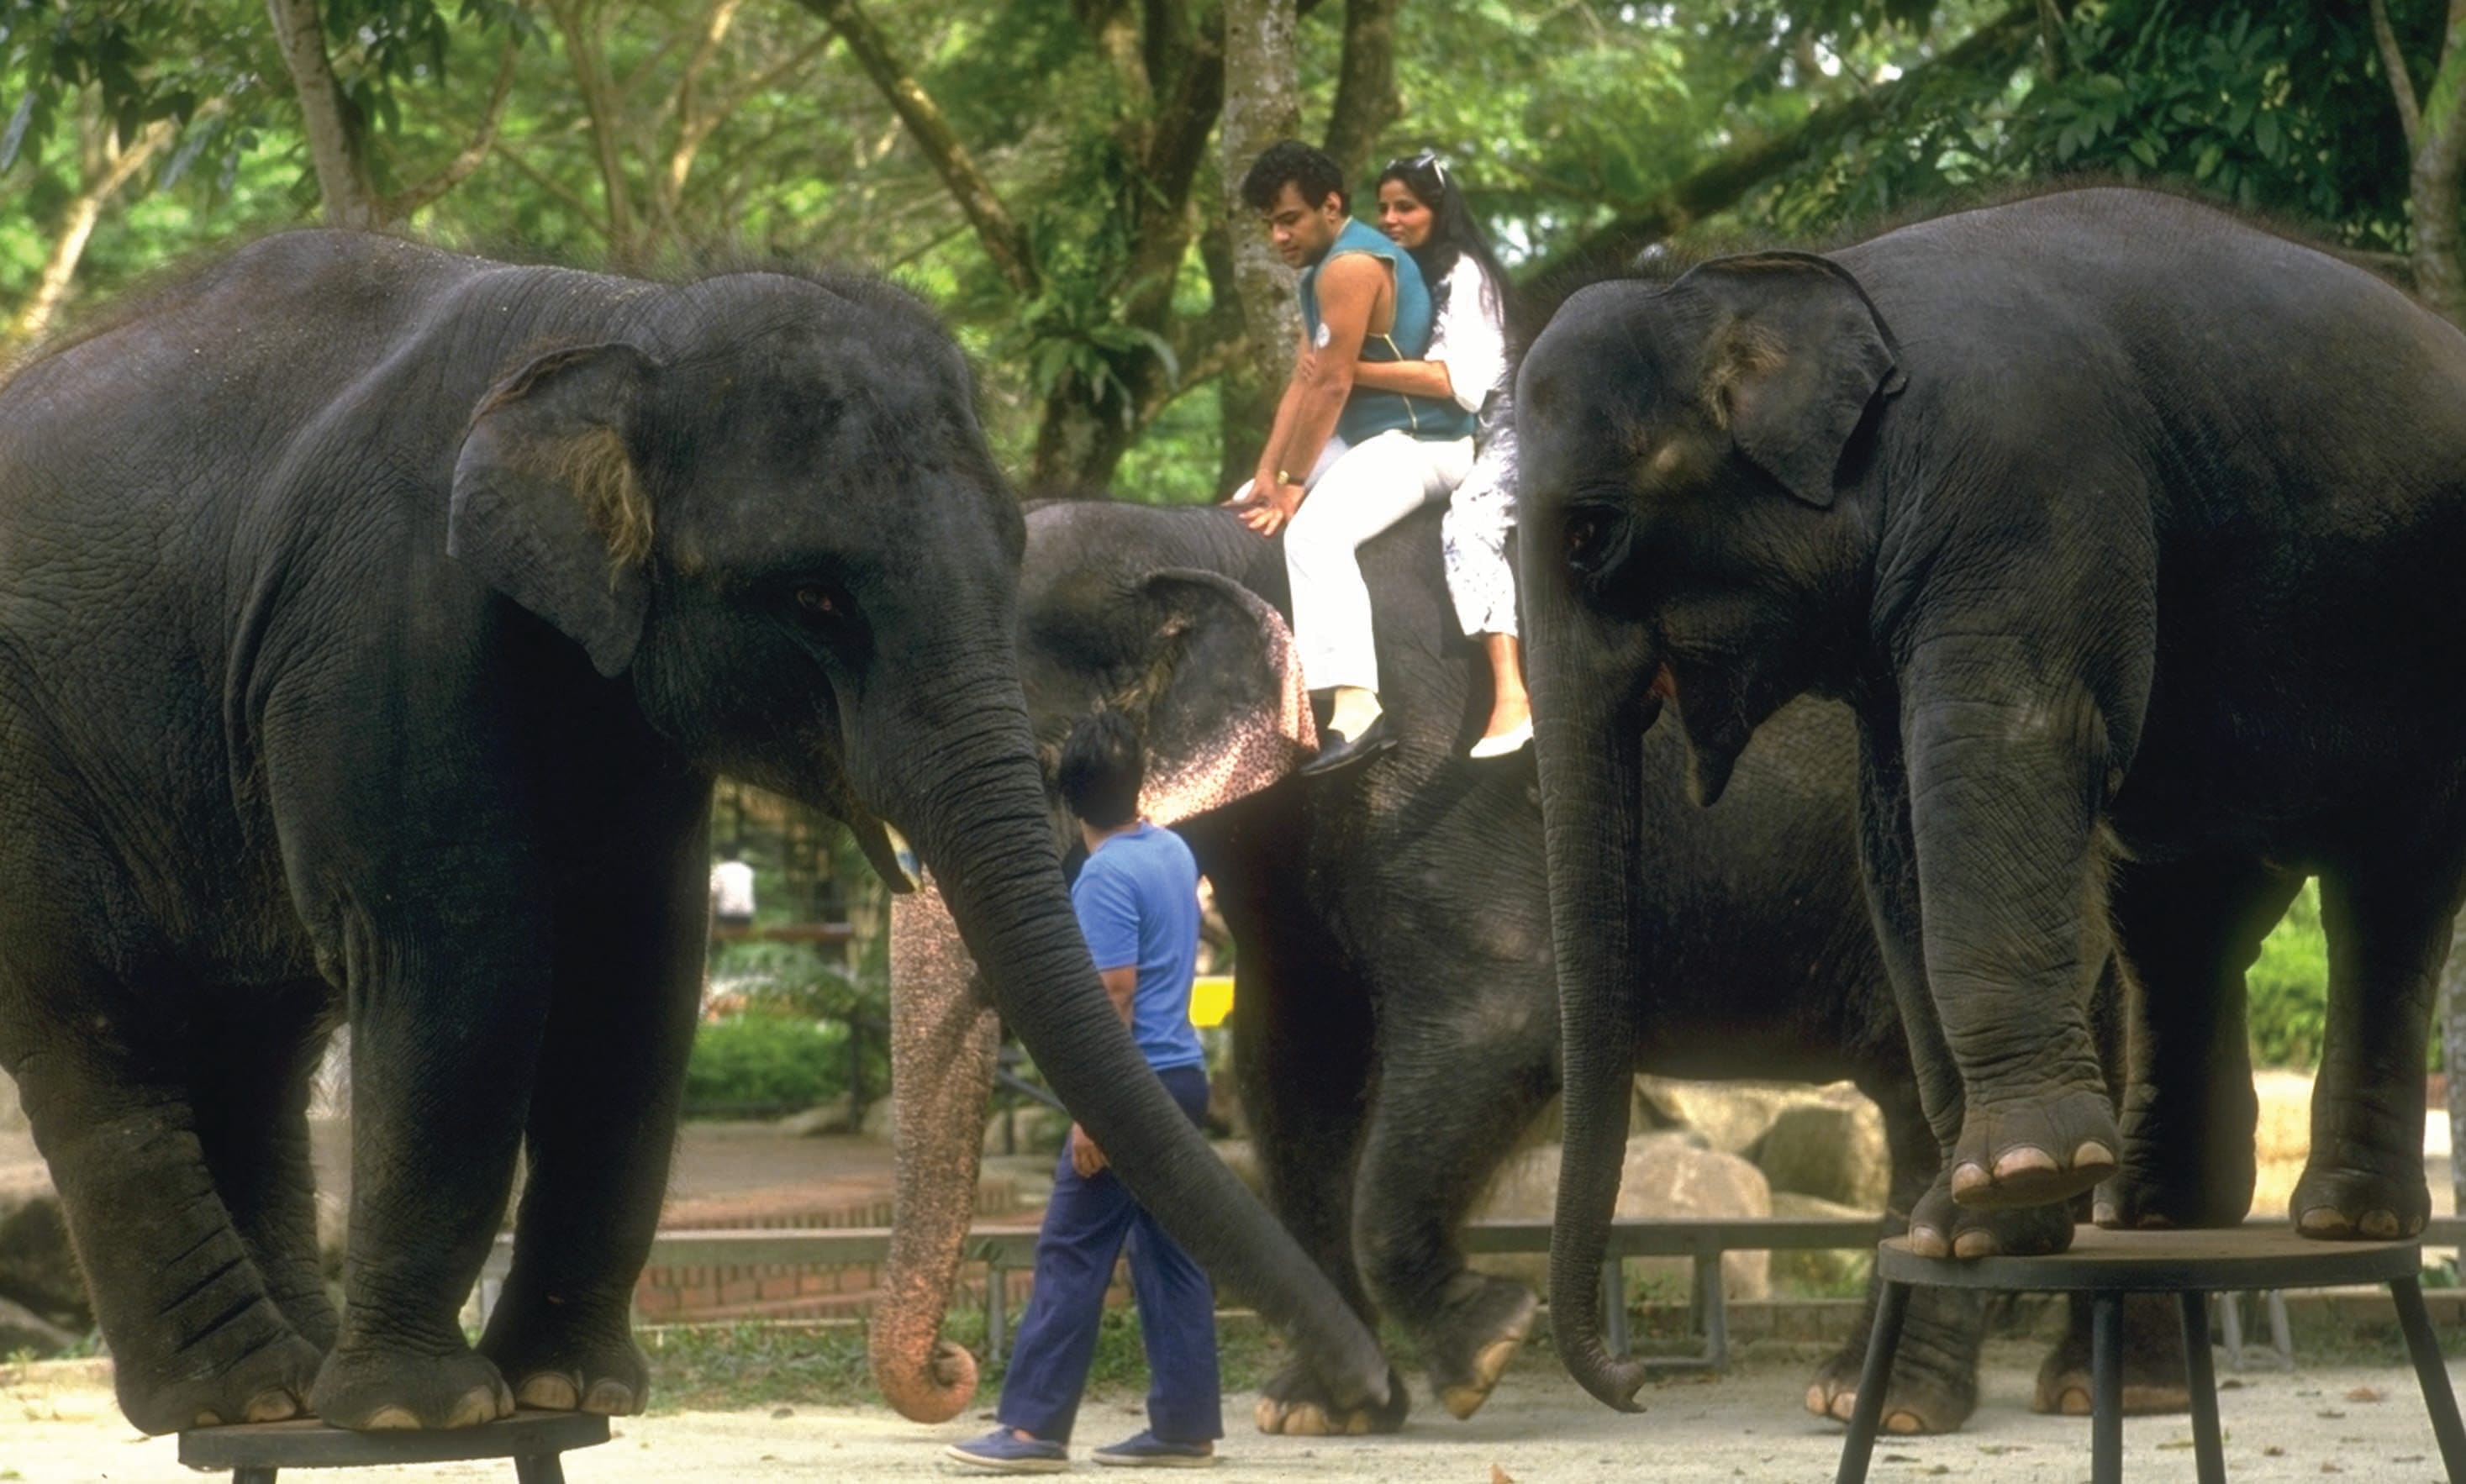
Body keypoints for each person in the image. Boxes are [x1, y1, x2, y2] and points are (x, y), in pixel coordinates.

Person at [946, 710, 1223, 1473]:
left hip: (1129, 1088)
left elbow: (1113, 996)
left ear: (1068, 802)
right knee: (1171, 1258)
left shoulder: (1103, 875)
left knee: (1071, 1250)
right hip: (1182, 1078)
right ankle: (1185, 1427)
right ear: (1139, 785)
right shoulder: (1172, 848)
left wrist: (1093, 1111)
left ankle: (1032, 1431)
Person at [1225, 139, 1476, 776]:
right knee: (1246, 503)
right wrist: (1266, 472)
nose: (1278, 236)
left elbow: (1334, 385)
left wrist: (1296, 485)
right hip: (1371, 436)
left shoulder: (1352, 266)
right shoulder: (1319, 272)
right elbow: (1306, 380)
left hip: (1426, 444)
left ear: (1330, 206)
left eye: (1290, 220)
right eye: (1270, 225)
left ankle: (1359, 708)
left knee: (1312, 534)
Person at [1356, 150, 1530, 757]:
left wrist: (1353, 371)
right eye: (1382, 208)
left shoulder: (1463, 271)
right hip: (1461, 431)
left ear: (1438, 209)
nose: (1391, 219)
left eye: (1405, 206)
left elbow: (1460, 383)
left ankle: (1512, 692)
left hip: (1514, 423)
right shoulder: (1415, 277)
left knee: (1471, 523)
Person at [708, 842, 756, 926]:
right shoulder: (747, 870)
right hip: (747, 915)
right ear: (738, 855)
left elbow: (713, 894)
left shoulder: (719, 870)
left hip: (726, 915)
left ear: (722, 855)